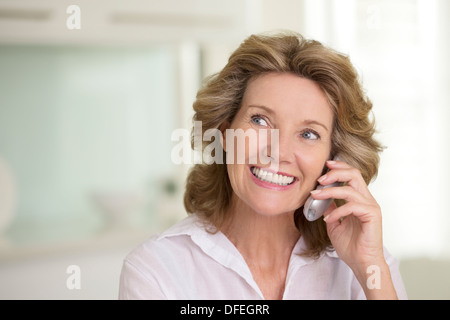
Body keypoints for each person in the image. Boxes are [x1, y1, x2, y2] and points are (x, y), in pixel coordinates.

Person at [119, 31, 407, 300]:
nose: (278, 152)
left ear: (333, 161)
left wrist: (370, 268)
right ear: (224, 132)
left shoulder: (364, 263)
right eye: (260, 120)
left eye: (309, 134)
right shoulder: (155, 271)